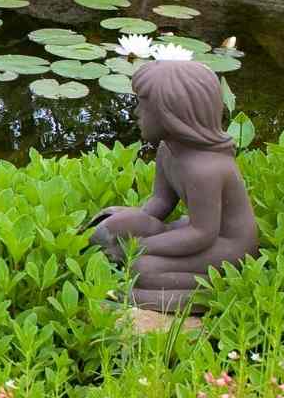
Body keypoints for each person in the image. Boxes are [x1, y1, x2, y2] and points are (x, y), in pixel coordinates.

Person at [86, 60, 258, 313]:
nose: (136, 113)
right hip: (196, 231)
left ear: (173, 114)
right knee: (123, 220)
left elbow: (202, 234)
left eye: (144, 106)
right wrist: (132, 223)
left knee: (141, 268)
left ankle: (206, 295)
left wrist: (139, 247)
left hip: (230, 246)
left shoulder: (204, 169)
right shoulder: (168, 149)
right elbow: (160, 202)